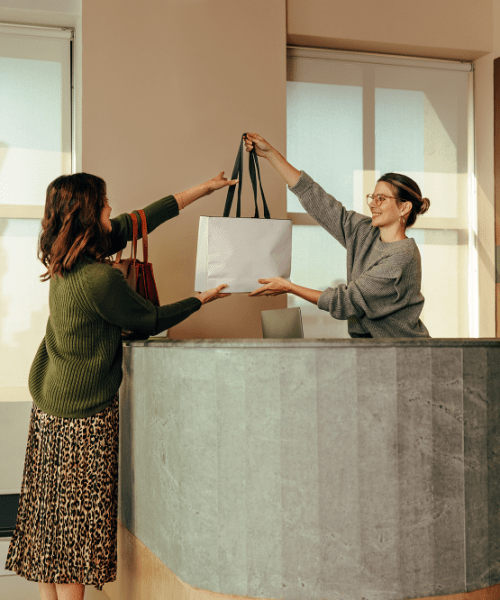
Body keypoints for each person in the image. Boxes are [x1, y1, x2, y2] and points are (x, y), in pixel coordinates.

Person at [4, 170, 236, 600]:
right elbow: (147, 320)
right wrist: (200, 299)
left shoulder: (65, 258)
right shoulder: (101, 279)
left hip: (51, 406)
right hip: (85, 418)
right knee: (75, 535)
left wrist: (203, 188)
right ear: (91, 214)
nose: (113, 207)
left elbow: (139, 220)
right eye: (106, 202)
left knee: (50, 521)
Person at [244, 133, 430, 338]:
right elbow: (320, 202)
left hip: (406, 352)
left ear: (404, 207)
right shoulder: (365, 231)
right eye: (372, 197)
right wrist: (271, 154)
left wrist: (290, 287)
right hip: (372, 350)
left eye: (381, 198)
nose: (372, 203)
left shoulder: (402, 257)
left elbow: (347, 302)